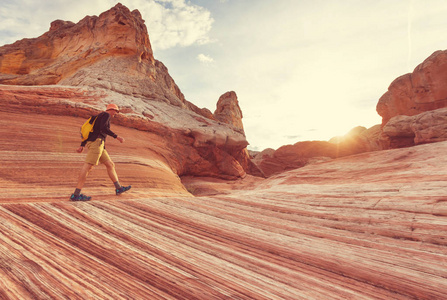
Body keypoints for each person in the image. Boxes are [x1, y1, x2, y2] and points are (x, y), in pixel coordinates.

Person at [70, 104, 131, 201]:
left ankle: (118, 188)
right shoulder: (106, 115)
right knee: (88, 167)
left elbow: (88, 133)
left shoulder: (98, 117)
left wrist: (82, 145)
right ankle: (76, 194)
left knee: (110, 164)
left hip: (99, 144)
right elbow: (104, 129)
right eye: (116, 111)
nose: (116, 114)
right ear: (111, 109)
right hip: (97, 144)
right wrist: (117, 137)